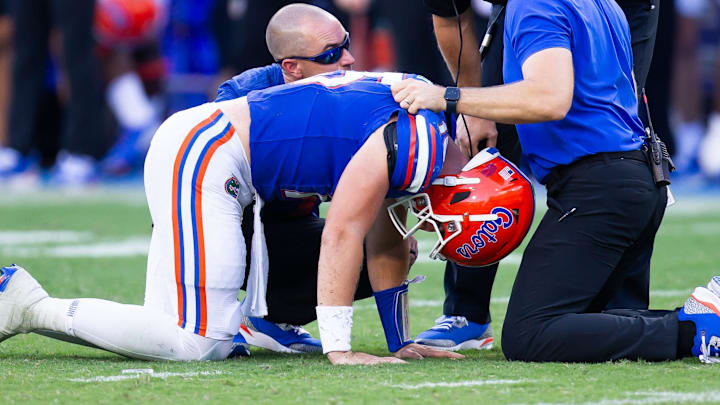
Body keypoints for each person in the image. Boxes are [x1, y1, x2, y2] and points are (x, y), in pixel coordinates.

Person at [0, 70, 470, 365]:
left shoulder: (426, 118)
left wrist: (400, 341)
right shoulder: (418, 142)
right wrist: (340, 348)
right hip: (209, 154)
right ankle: (26, 304)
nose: (442, 229)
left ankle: (25, 302)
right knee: (201, 343)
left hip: (214, 152)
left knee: (166, 328)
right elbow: (345, 232)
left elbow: (386, 240)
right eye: (461, 220)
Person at [390, 0, 720, 363]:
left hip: (600, 186)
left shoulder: (534, 4)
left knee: (529, 335)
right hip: (634, 178)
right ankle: (700, 317)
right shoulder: (601, 4)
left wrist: (449, 97)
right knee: (586, 320)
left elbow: (549, 98)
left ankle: (693, 329)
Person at [215, 4, 418, 354]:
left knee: (398, 242)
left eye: (347, 44)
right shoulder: (241, 100)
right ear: (291, 68)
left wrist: (401, 344)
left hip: (293, 227)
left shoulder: (356, 97)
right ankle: (221, 321)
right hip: (231, 226)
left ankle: (272, 319)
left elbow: (381, 220)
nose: (349, 59)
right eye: (331, 54)